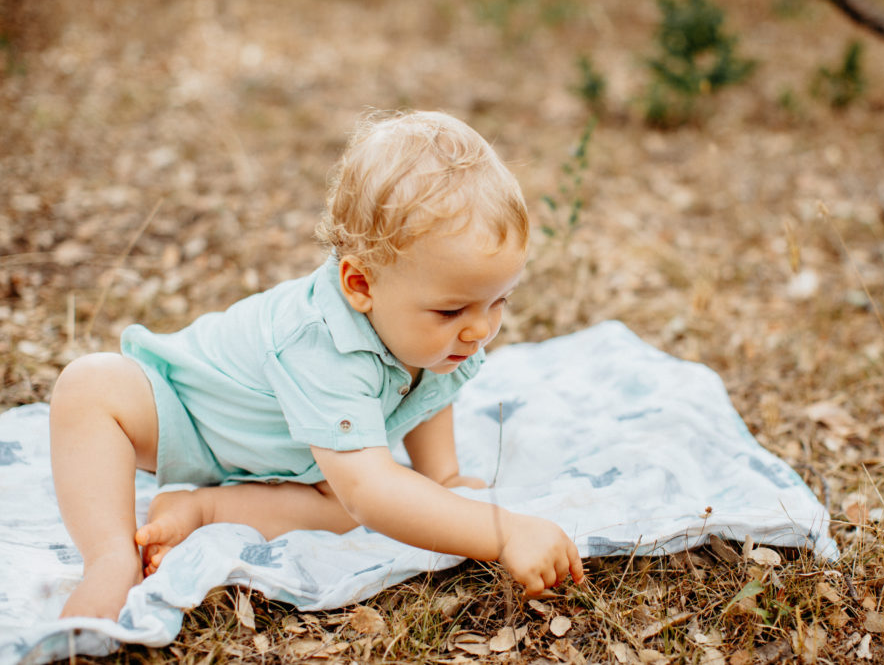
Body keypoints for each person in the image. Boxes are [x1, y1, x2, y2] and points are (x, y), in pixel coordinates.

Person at [50, 110, 585, 621]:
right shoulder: (320, 341)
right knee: (90, 385)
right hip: (184, 418)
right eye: (452, 310)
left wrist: (440, 476)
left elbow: (429, 389)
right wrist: (502, 530)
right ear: (360, 285)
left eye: (499, 301)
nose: (479, 329)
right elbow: (372, 491)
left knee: (348, 508)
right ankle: (109, 556)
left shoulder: (440, 333)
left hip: (298, 458)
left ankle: (206, 509)